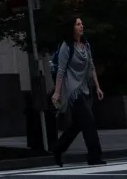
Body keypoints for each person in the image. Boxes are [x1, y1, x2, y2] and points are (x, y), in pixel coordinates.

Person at [50, 15, 105, 166]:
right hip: (73, 91)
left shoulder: (86, 45)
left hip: (86, 89)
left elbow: (91, 66)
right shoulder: (66, 47)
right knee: (89, 122)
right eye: (78, 24)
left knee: (79, 124)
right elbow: (61, 70)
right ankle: (94, 157)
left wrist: (98, 87)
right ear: (72, 28)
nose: (81, 26)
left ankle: (57, 148)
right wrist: (57, 92)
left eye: (82, 24)